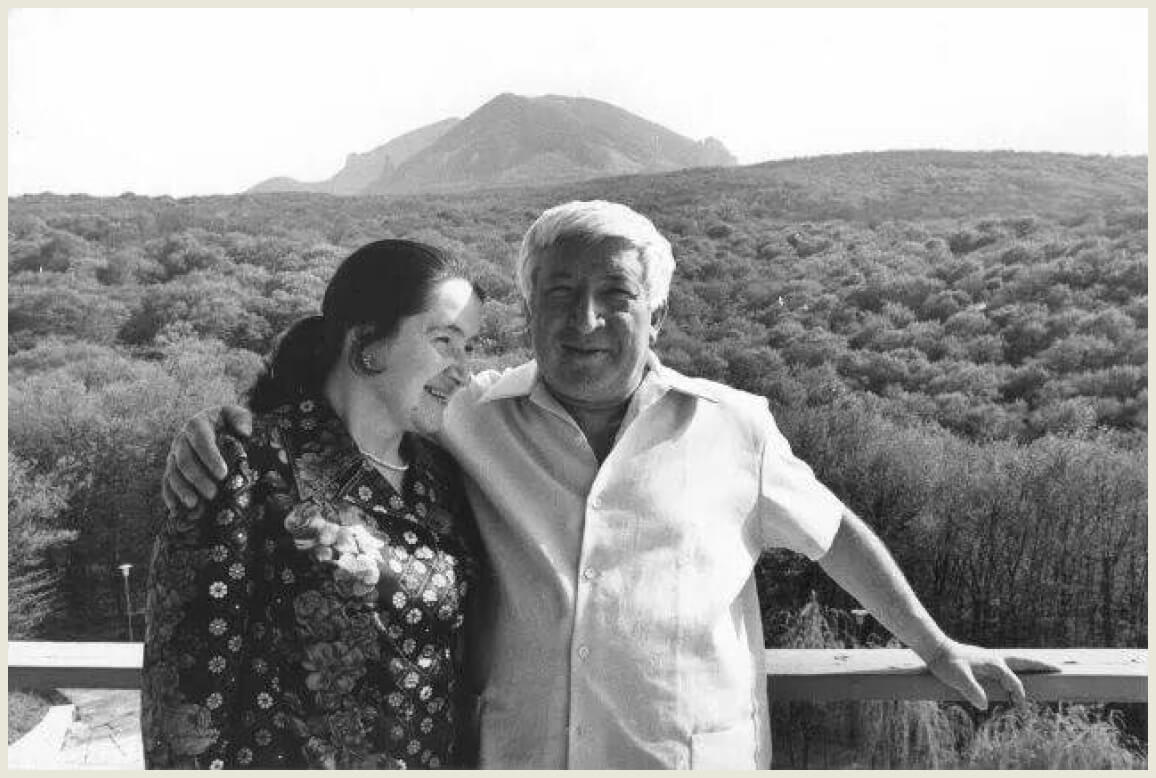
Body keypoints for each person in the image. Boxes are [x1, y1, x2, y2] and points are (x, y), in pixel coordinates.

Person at [163, 201, 1054, 770]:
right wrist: (225, 424)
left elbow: (836, 536)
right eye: (558, 293)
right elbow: (356, 396)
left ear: (655, 312)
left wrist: (936, 645)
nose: (583, 319)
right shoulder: (466, 416)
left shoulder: (733, 427)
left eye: (613, 296)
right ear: (530, 307)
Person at [143, 239, 485, 769]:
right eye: (444, 340)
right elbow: (183, 700)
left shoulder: (442, 478)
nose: (463, 370)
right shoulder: (246, 465)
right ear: (366, 340)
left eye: (470, 346)